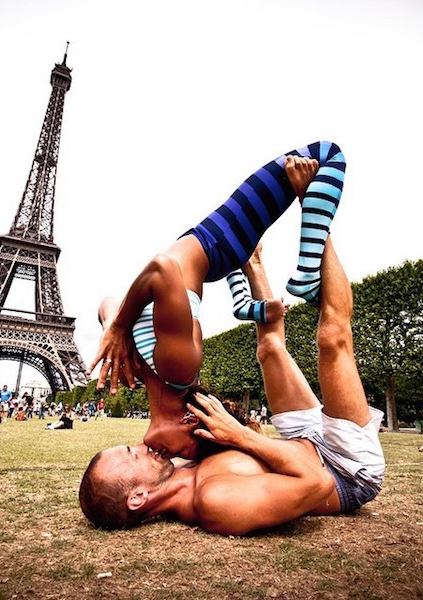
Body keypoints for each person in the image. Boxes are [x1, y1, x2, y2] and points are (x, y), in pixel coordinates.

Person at [79, 164, 385, 534]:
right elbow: (317, 482)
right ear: (138, 497)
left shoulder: (181, 468)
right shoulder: (213, 502)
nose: (140, 446)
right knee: (331, 339)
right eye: (131, 454)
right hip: (345, 467)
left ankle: (252, 261)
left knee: (269, 349)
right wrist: (238, 435)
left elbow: (113, 302)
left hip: (299, 441)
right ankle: (315, 212)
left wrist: (115, 328)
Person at [87, 142, 346, 399]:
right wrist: (118, 325)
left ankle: (263, 294)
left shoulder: (166, 366)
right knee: (328, 154)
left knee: (326, 155)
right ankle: (305, 275)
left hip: (215, 251)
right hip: (217, 242)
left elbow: (108, 302)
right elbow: (159, 269)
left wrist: (114, 325)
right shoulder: (175, 366)